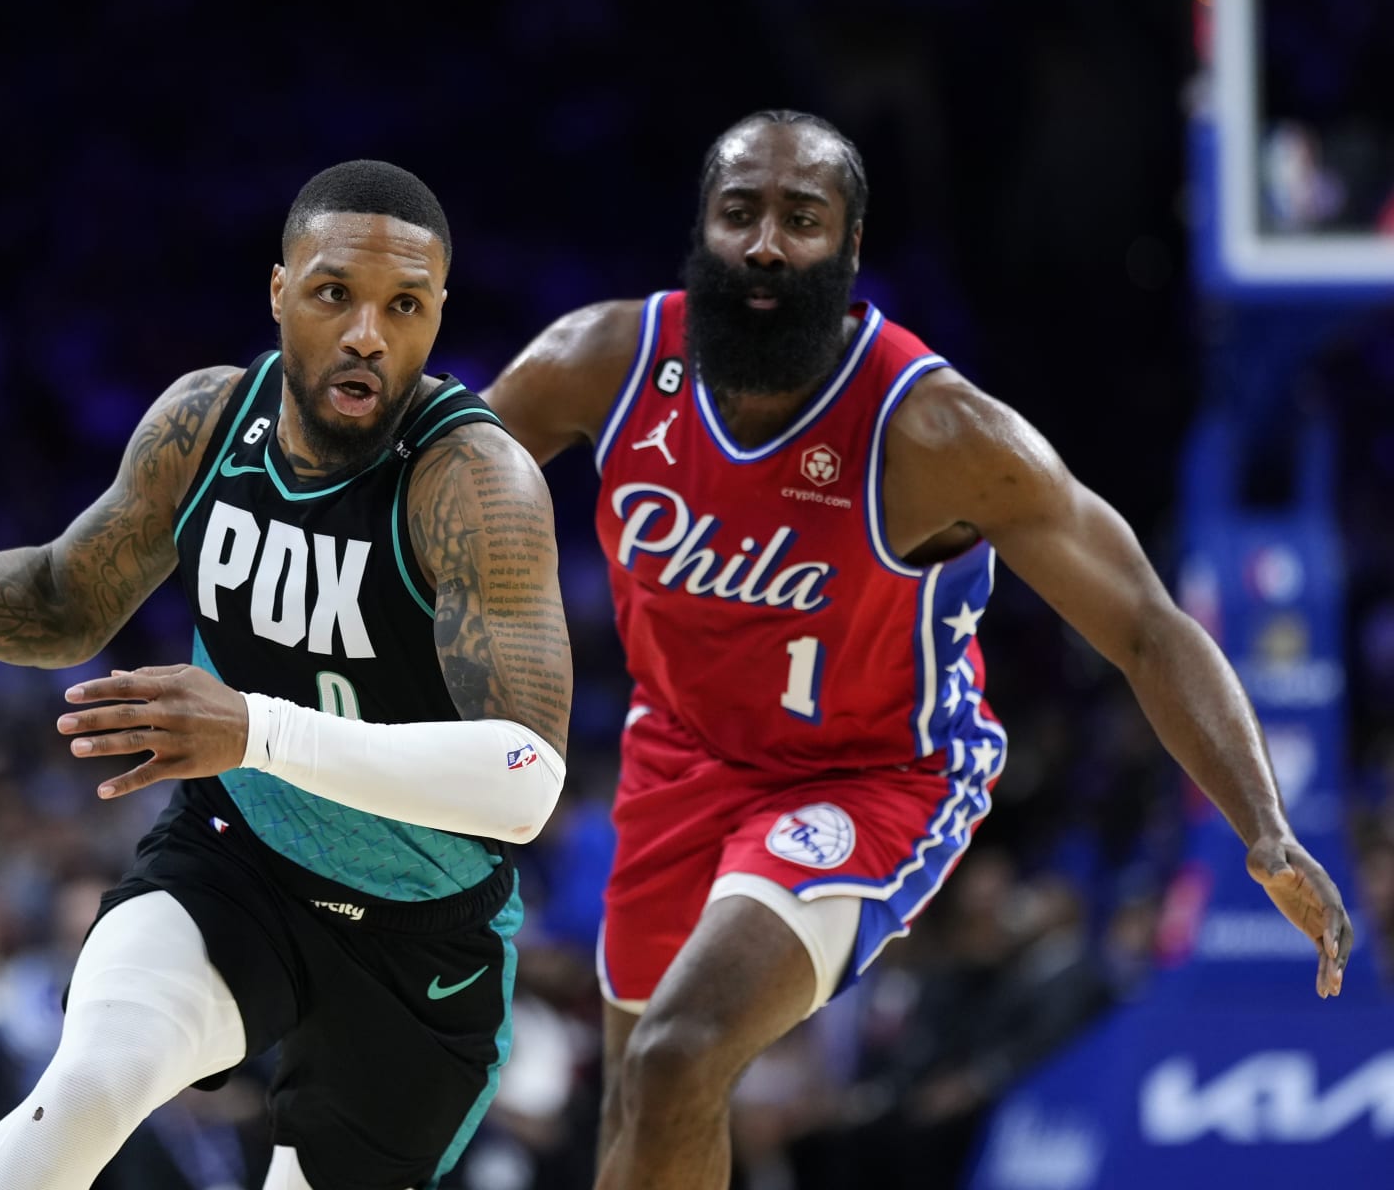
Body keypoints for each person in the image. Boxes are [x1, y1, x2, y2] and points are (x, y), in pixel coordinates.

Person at [483, 109, 1353, 1190]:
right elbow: (428, 500)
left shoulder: (940, 435)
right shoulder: (601, 364)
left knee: (679, 1050)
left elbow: (1144, 622)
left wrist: (1264, 830)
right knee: (636, 1100)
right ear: (699, 230)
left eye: (801, 220)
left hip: (870, 780)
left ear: (848, 254)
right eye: (739, 212)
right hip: (681, 756)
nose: (764, 243)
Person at [0, 160, 574, 1190]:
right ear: (279, 294)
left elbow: (527, 780)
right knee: (87, 1086)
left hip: (420, 937)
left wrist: (256, 730)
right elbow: (62, 599)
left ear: (439, 314)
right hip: (238, 863)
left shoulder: (476, 483)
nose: (367, 334)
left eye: (404, 307)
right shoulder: (207, 424)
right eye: (333, 294)